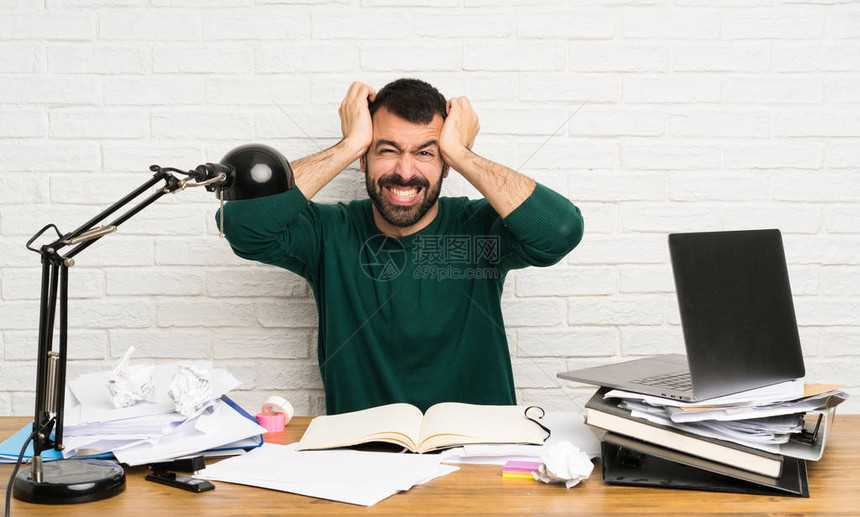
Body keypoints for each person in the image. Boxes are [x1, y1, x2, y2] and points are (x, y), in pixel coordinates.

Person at [218, 78, 583, 414]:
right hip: (363, 462)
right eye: (387, 150)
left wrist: (460, 152)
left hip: (480, 459)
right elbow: (241, 223)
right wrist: (348, 145)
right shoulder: (326, 233)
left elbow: (561, 230)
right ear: (363, 158)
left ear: (446, 164)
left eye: (426, 153)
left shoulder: (481, 229)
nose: (405, 172)